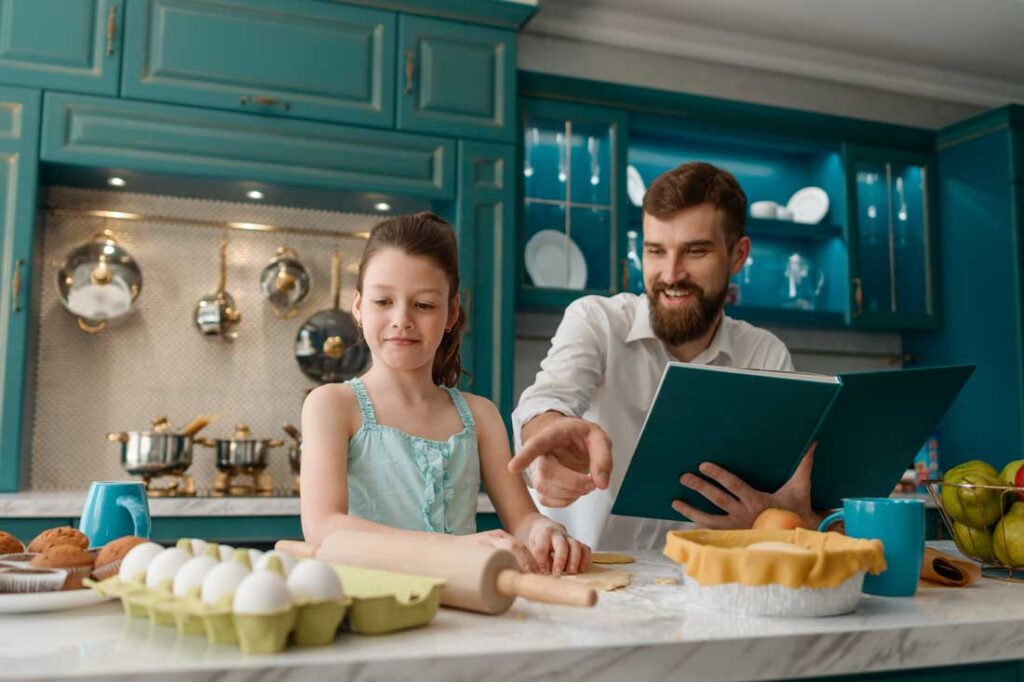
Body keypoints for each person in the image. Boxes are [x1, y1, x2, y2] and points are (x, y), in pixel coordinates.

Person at [509, 162, 819, 550]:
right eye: (656, 251)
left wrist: (767, 516)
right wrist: (549, 434)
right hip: (585, 580)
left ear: (738, 255)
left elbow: (784, 504)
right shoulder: (596, 320)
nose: (671, 274)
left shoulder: (764, 354)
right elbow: (546, 400)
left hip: (703, 591)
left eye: (695, 251)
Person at [301, 212, 591, 575]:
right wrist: (453, 547)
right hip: (369, 607)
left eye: (423, 305)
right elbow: (322, 527)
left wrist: (544, 530)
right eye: (383, 301)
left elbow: (522, 519)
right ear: (358, 306)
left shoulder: (480, 415)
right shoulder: (332, 405)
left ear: (452, 312)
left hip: (463, 609)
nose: (402, 319)